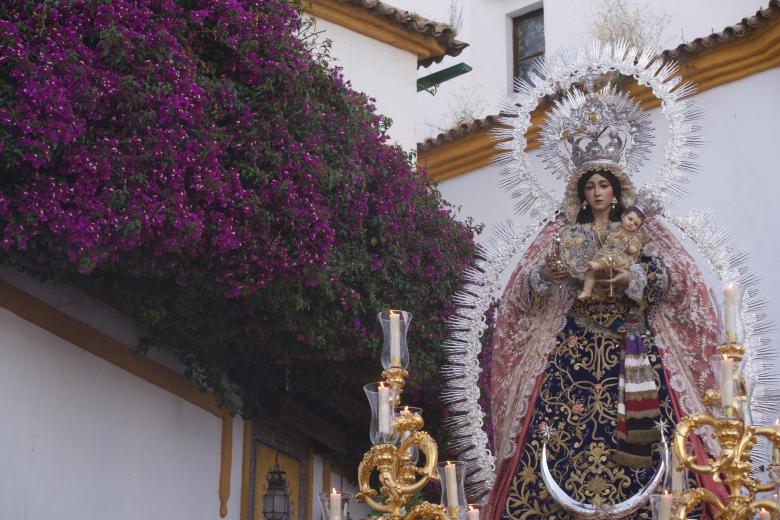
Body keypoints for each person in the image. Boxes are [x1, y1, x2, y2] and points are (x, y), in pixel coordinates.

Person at [485, 164, 724, 519]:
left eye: (604, 186)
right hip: (572, 349)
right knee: (554, 432)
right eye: (591, 187)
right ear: (581, 194)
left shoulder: (638, 229)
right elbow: (525, 287)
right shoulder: (565, 233)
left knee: (656, 431)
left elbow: (674, 277)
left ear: (616, 191)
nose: (597, 193)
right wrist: (545, 275)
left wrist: (634, 277)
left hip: (631, 345)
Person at [576, 206, 645, 300]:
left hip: (618, 259)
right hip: (604, 253)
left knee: (607, 259)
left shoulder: (633, 237)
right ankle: (586, 291)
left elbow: (634, 250)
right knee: (590, 271)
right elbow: (603, 237)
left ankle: (597, 265)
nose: (631, 223)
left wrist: (628, 246)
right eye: (630, 219)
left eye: (635, 224)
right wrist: (598, 231)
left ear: (637, 228)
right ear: (623, 216)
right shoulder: (613, 227)